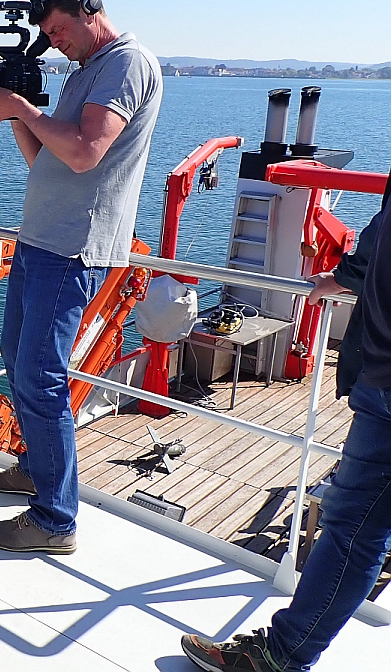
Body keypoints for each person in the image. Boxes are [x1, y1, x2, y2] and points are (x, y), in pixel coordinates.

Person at [0, 0, 162, 554]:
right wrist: (14, 120)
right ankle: (34, 466)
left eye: (59, 29)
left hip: (74, 246)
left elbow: (84, 154)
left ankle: (55, 520)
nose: (55, 42)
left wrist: (24, 106)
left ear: (88, 10)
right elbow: (47, 161)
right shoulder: (85, 72)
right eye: (49, 35)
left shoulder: (126, 64)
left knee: (41, 375)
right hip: (41, 238)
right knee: (16, 359)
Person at [179, 193, 391, 672]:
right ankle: (281, 654)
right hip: (379, 376)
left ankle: (279, 657)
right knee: (352, 528)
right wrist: (348, 274)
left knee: (353, 530)